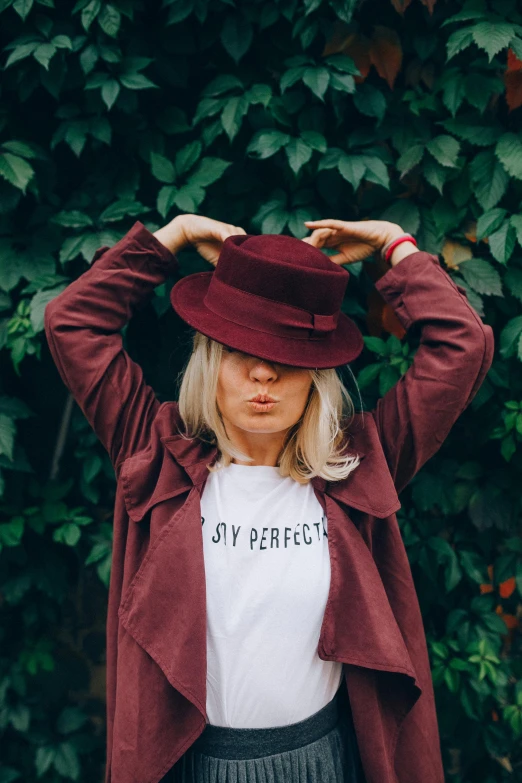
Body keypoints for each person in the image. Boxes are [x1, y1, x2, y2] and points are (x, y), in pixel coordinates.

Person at [44, 213, 494, 783]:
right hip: (190, 764)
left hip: (323, 761)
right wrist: (172, 237)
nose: (262, 373)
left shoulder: (361, 464)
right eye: (238, 351)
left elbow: (463, 343)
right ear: (210, 361)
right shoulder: (153, 453)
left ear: (317, 373)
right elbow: (73, 323)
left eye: (287, 357)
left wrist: (396, 245)